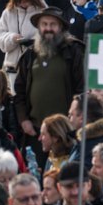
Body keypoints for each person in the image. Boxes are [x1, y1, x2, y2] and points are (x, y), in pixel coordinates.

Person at [14, 8, 85, 147]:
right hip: (36, 131)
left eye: (53, 24)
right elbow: (19, 91)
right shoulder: (30, 55)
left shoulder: (74, 52)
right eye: (44, 24)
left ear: (61, 28)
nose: (48, 28)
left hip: (66, 131)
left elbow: (82, 89)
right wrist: (23, 120)